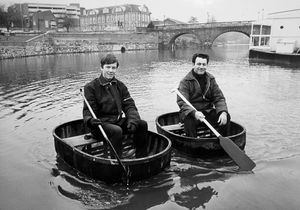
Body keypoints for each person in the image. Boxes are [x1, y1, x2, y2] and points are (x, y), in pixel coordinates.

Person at [83, 53, 148, 158]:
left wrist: (132, 120)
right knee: (116, 131)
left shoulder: (120, 86)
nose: (110, 70)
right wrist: (90, 120)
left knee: (142, 124)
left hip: (117, 122)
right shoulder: (90, 87)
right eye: (108, 67)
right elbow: (87, 111)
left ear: (116, 69)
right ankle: (116, 161)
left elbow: (129, 105)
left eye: (113, 68)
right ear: (101, 68)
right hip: (99, 125)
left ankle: (142, 157)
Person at [177, 53, 230, 137]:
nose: (201, 67)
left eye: (204, 64)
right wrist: (194, 113)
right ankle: (193, 143)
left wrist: (223, 112)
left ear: (207, 65)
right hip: (192, 113)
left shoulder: (211, 79)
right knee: (189, 120)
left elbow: (219, 98)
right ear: (193, 64)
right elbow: (182, 102)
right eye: (198, 64)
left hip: (207, 111)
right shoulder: (185, 82)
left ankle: (219, 140)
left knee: (225, 117)